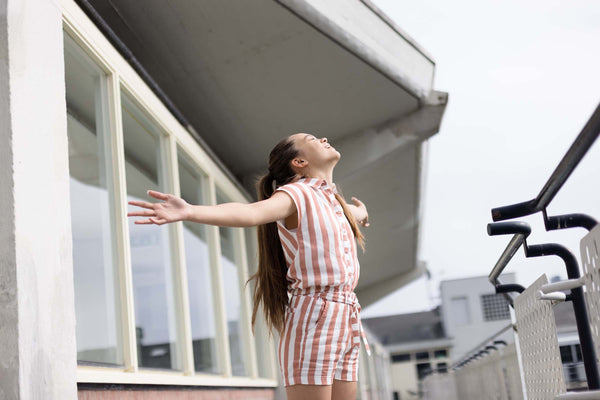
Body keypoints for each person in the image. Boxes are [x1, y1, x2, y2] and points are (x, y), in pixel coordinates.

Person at [127, 133, 370, 400]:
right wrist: (190, 211)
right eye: (312, 138)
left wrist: (362, 213)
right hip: (316, 313)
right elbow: (251, 213)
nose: (323, 138)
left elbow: (353, 214)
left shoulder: (334, 203)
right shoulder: (297, 194)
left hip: (347, 315)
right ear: (299, 161)